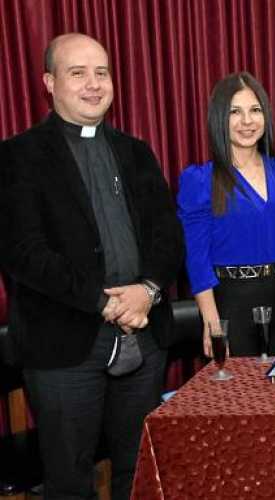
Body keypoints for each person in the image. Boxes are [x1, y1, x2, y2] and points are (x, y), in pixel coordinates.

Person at [0, 33, 184, 499]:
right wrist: (103, 302)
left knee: (139, 472)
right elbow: (24, 253)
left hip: (143, 333)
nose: (93, 84)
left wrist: (149, 290)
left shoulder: (137, 151)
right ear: (49, 82)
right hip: (64, 344)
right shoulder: (17, 157)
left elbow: (168, 236)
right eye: (77, 73)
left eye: (101, 72)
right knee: (69, 481)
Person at [178, 72, 275, 357]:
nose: (247, 121)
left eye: (255, 110)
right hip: (231, 301)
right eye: (235, 112)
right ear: (219, 119)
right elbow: (197, 257)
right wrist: (212, 321)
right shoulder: (200, 180)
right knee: (241, 398)